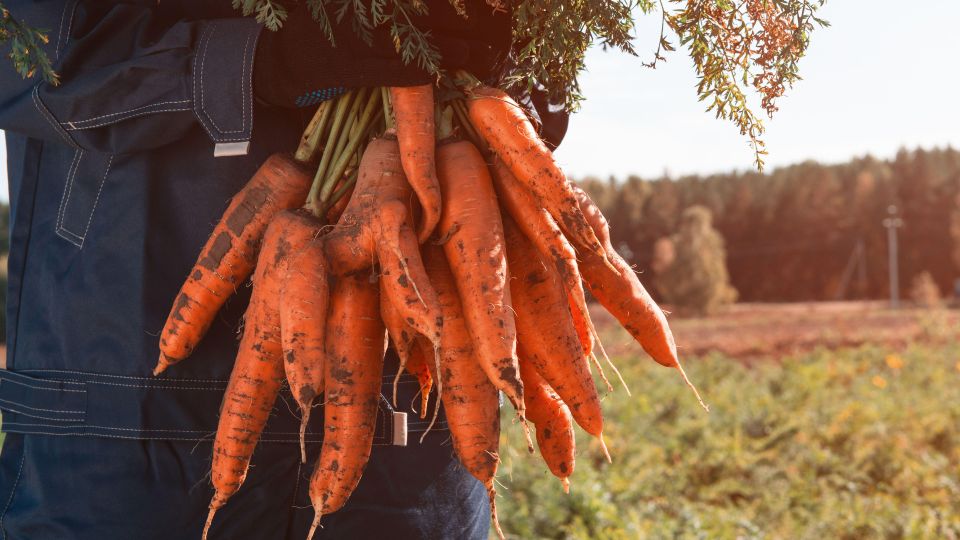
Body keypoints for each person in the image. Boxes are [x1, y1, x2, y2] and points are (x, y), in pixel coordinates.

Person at [0, 2, 521, 538]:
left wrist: (493, 51)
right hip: (125, 431)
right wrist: (260, 59)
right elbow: (25, 55)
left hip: (413, 423)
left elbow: (536, 97)